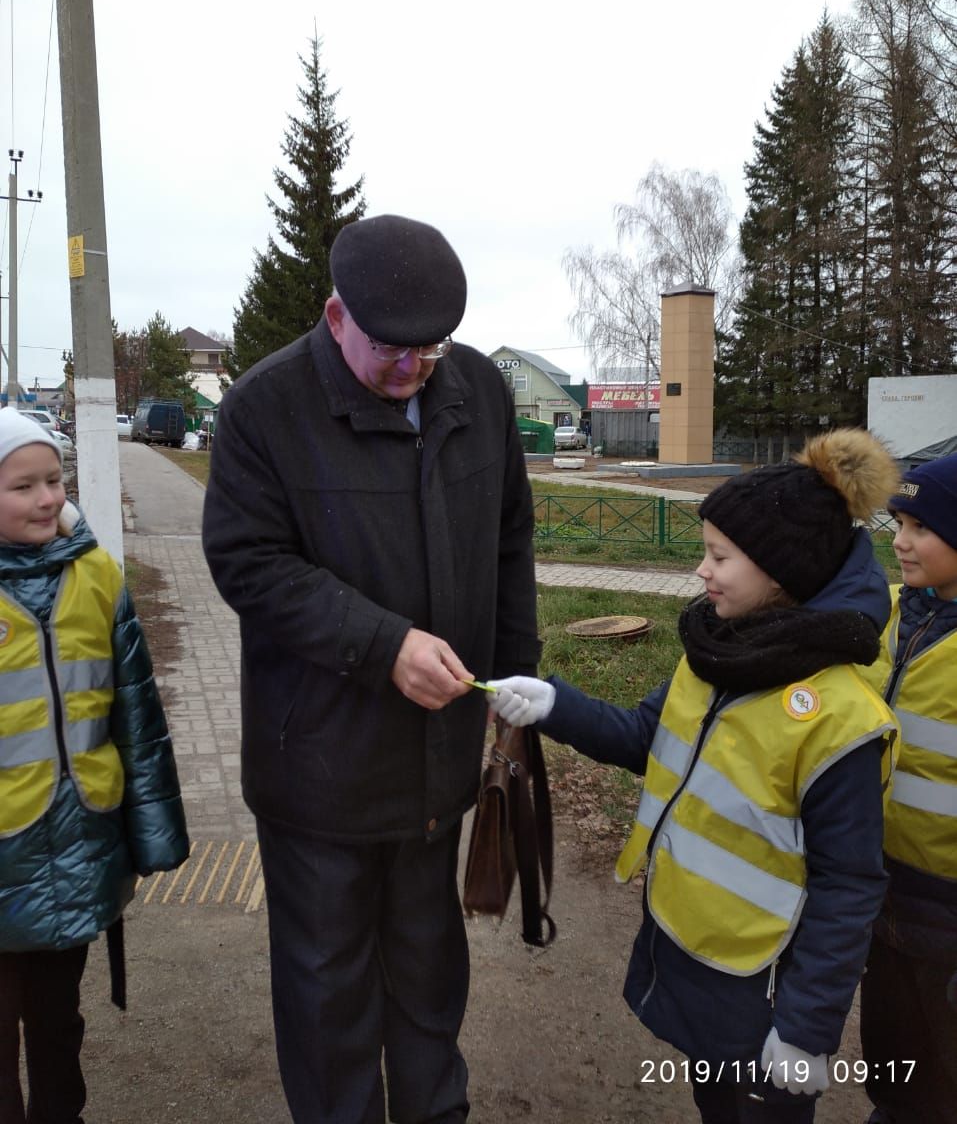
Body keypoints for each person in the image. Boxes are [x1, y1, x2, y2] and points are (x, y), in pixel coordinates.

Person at [201, 213, 540, 1124]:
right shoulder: (264, 408)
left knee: (429, 967)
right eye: (394, 351)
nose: (413, 370)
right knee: (327, 987)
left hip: (437, 755)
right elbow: (248, 562)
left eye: (431, 351)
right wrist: (384, 645)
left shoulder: (476, 390)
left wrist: (515, 680)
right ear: (334, 314)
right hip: (319, 764)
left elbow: (509, 535)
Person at [487, 428, 901, 1124]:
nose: (700, 573)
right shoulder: (719, 652)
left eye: (718, 557)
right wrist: (554, 705)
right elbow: (647, 739)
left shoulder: (838, 718)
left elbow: (848, 884)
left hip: (763, 978)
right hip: (694, 951)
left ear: (780, 573)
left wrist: (805, 1030)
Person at [0, 407, 189, 1124]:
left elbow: (137, 720)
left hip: (75, 847)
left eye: (54, 480)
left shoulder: (97, 576)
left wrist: (153, 833)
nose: (49, 498)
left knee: (57, 1024)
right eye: (24, 487)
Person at [859, 453, 957, 1124]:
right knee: (894, 1069)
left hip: (948, 915)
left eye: (921, 526)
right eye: (897, 521)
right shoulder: (885, 613)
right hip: (877, 893)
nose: (899, 541)